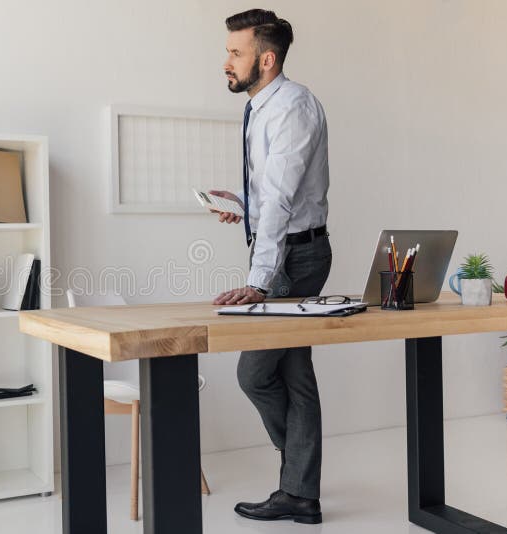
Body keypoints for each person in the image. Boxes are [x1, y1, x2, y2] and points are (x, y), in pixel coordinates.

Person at [211, 8, 331, 525]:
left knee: (254, 371)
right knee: (295, 374)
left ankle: (297, 476)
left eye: (235, 53)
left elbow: (282, 199)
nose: (226, 62)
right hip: (288, 246)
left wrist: (259, 282)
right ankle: (299, 492)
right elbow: (275, 194)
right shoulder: (263, 105)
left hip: (295, 258)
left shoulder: (293, 107)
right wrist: (242, 203)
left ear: (266, 58)